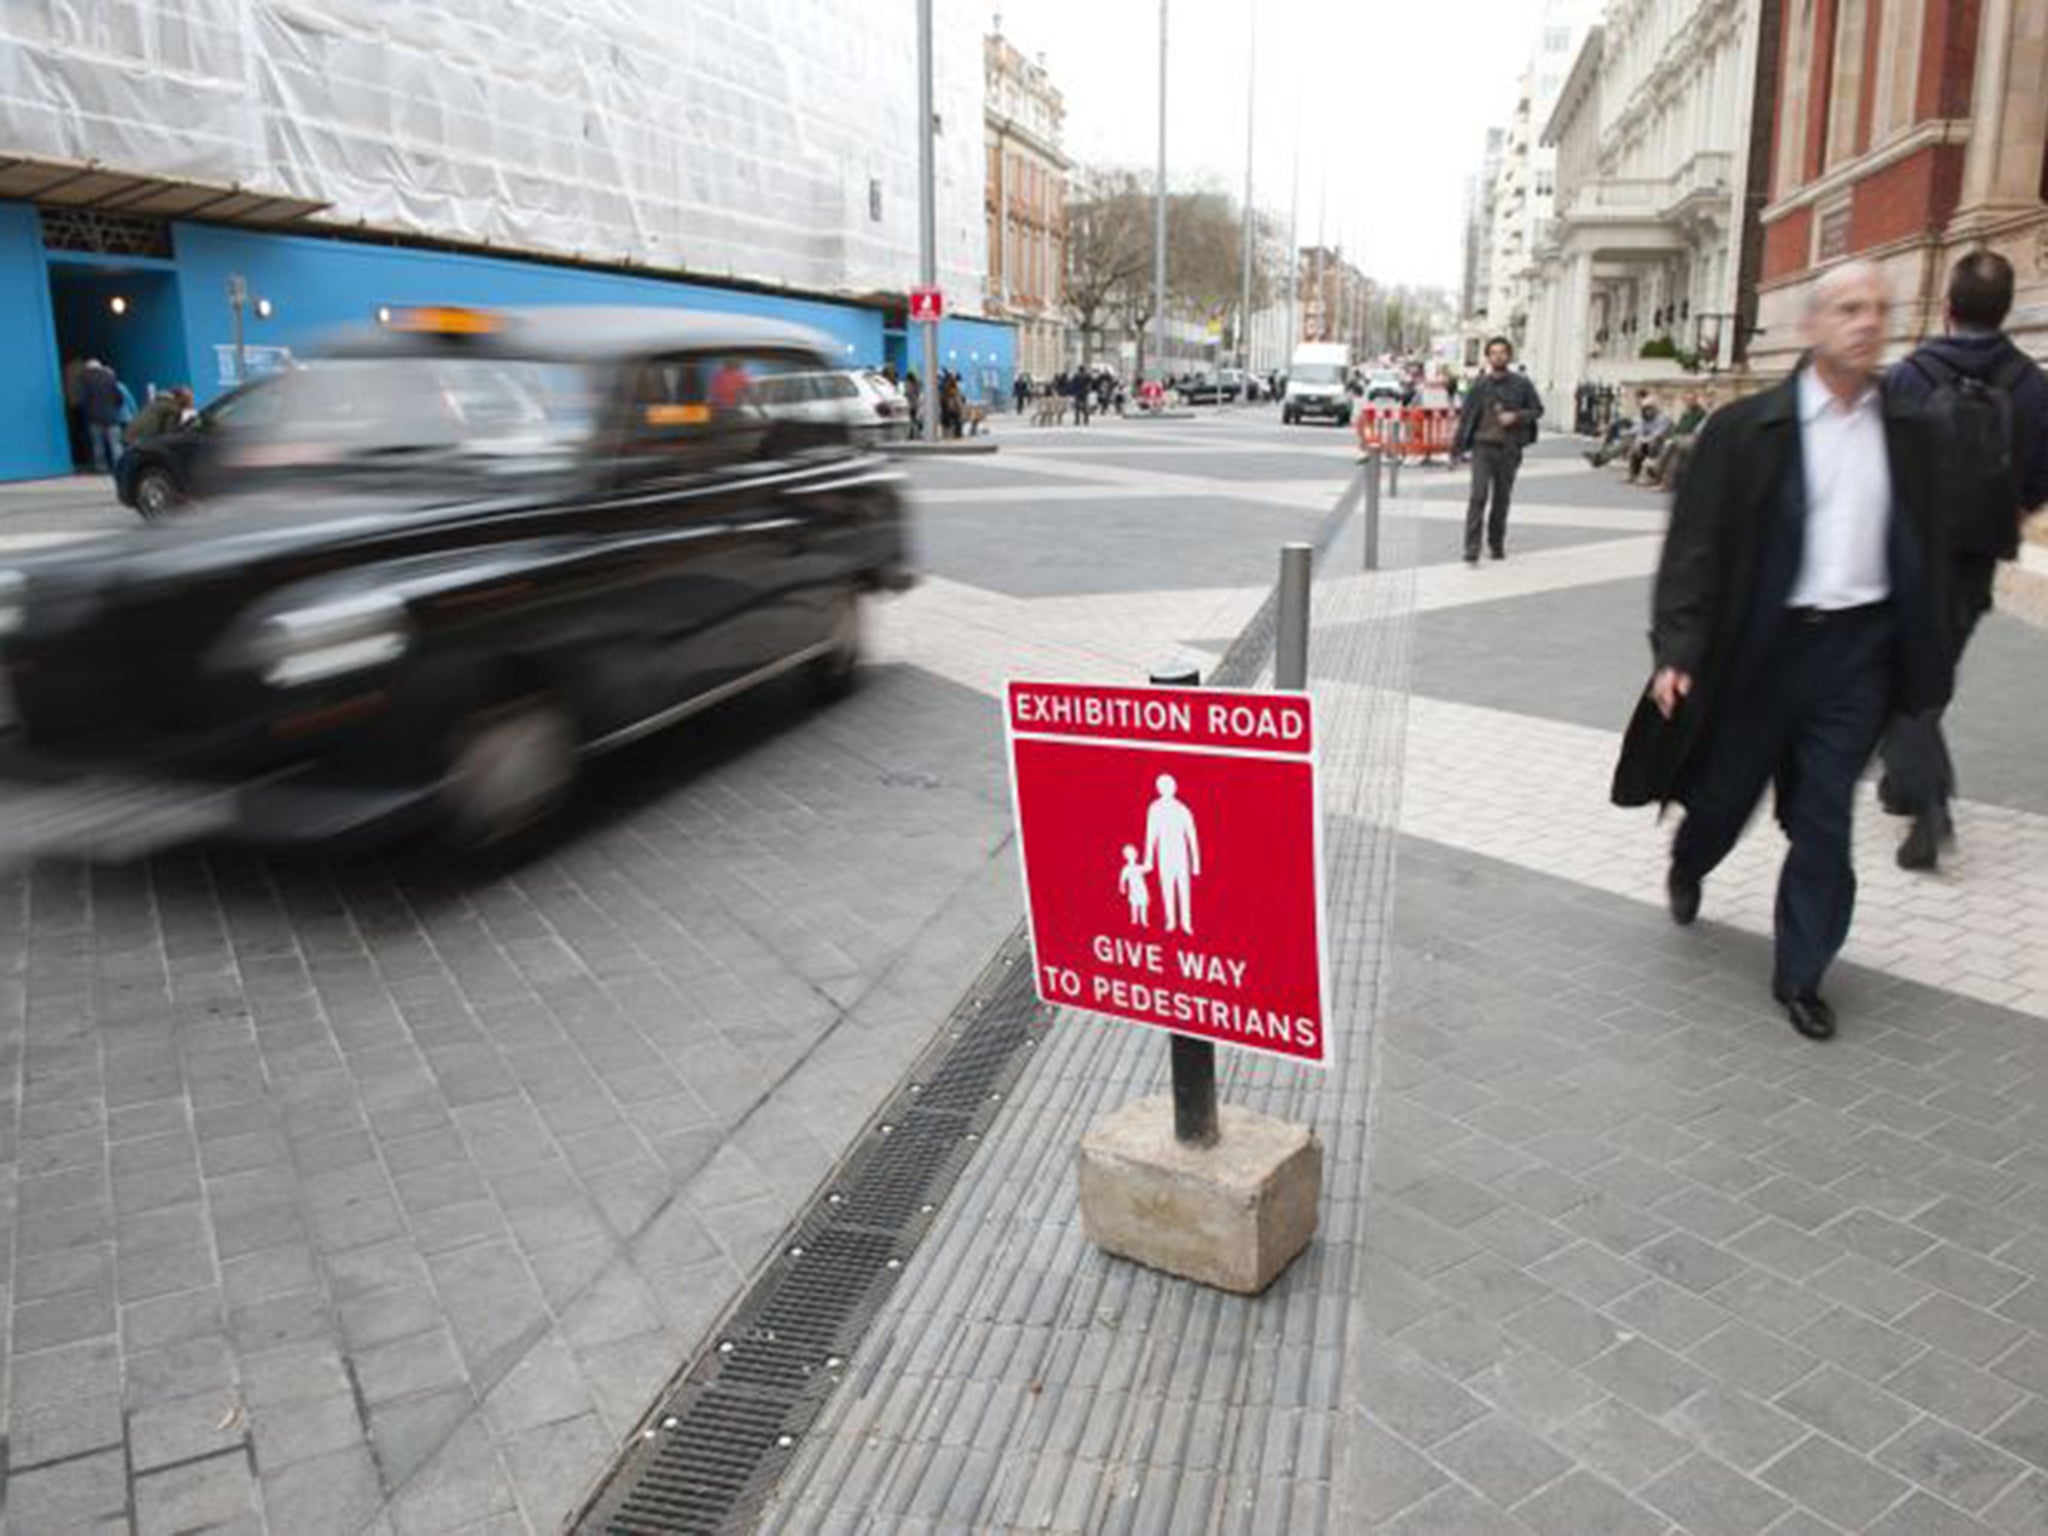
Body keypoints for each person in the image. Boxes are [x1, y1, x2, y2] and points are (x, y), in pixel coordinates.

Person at [1611, 261, 1950, 1042]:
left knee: (1826, 816)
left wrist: (1926, 649)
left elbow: (1925, 549)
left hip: (1857, 657)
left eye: (1877, 309)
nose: (1866, 322)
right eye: (1848, 308)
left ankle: (1803, 971)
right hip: (1760, 654)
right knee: (1726, 798)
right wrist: (1678, 651)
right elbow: (1694, 548)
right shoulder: (1746, 430)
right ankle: (1691, 861)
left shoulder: (1909, 434)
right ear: (1812, 325)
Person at [1878, 250, 2048, 871]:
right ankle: (1904, 783)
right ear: (2004, 311)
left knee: (1901, 672)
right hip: (1977, 553)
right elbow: (2040, 477)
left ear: (1947, 310)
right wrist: (2010, 512)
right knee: (1936, 663)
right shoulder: (2032, 385)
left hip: (1909, 547)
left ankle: (1929, 800)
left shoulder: (1909, 376)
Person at [1452, 336, 1544, 563]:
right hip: (1482, 447)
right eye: (1493, 353)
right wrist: (1456, 449)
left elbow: (1537, 410)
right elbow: (1465, 417)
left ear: (1509, 356)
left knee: (1502, 499)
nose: (1498, 356)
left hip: (1509, 448)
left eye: (1502, 352)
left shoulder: (1522, 383)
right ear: (1488, 357)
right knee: (1478, 496)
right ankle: (1472, 547)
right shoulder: (1479, 385)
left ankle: (1496, 544)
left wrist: (1516, 416)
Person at [1643, 388, 1711, 490]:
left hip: (1693, 439)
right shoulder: (1685, 414)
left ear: (1696, 400)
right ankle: (1661, 481)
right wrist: (1673, 436)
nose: (1688, 402)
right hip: (1681, 439)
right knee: (1673, 451)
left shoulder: (1700, 413)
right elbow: (1678, 429)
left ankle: (1656, 470)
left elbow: (1695, 431)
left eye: (1691, 400)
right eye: (1687, 400)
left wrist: (1675, 438)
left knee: (1671, 445)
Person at [79, 359, 126, 474]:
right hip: (112, 416)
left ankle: (101, 468)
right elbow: (119, 397)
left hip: (94, 417)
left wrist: (86, 412)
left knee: (98, 445)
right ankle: (119, 467)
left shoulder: (86, 380)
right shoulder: (110, 378)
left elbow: (85, 399)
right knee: (116, 444)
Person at [1625, 394, 1674, 482]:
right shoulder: (1644, 418)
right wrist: (1639, 440)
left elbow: (1658, 433)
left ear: (1655, 407)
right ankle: (1633, 475)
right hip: (1647, 441)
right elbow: (1639, 430)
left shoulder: (1664, 417)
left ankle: (1652, 476)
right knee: (1634, 447)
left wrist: (1644, 440)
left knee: (1652, 444)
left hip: (1661, 442)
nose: (1647, 411)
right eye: (1645, 409)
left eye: (1649, 408)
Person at [124, 386, 193, 446]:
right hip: (141, 441)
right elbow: (169, 434)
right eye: (189, 399)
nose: (191, 401)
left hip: (130, 437)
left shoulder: (157, 402)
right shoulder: (172, 408)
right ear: (181, 399)